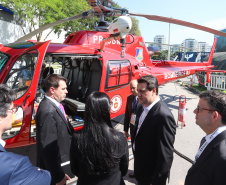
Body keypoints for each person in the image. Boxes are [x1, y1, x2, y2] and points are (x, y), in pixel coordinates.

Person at [70, 92, 129, 185]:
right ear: (106, 110)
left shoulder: (77, 137)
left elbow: (74, 169)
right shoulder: (119, 137)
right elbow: (124, 169)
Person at [0, 84, 51, 185]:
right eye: (12, 109)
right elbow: (45, 179)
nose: (14, 113)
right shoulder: (16, 166)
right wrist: (39, 171)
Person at [133, 75, 176, 185]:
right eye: (138, 91)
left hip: (151, 177)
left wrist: (158, 182)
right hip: (141, 170)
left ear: (154, 90)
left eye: (142, 91)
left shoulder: (163, 116)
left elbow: (165, 155)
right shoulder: (140, 107)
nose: (138, 95)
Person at [36, 74, 74, 185]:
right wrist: (58, 176)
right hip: (55, 171)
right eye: (63, 89)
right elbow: (48, 148)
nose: (66, 91)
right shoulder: (47, 111)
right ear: (52, 90)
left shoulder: (56, 105)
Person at [185, 90, 226, 185]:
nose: (195, 111)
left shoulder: (222, 157)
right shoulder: (208, 138)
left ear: (214, 115)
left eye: (199, 109)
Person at [123, 79, 138, 178]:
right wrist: (125, 129)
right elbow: (127, 115)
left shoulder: (143, 99)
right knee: (134, 150)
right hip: (132, 130)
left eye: (134, 88)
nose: (132, 90)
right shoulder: (129, 99)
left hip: (141, 131)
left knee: (141, 152)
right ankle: (136, 171)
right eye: (131, 88)